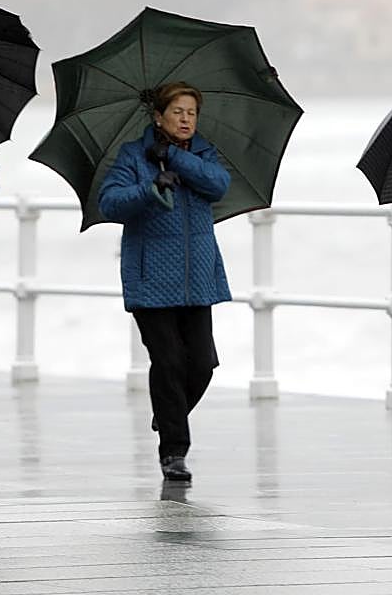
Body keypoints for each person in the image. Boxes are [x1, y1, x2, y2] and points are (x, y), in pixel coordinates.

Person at [98, 81, 231, 483]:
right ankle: (174, 451)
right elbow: (110, 202)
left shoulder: (203, 153)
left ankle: (168, 414)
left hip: (198, 279)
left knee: (203, 364)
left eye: (192, 112)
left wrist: (174, 157)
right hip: (151, 278)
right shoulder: (132, 156)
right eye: (177, 112)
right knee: (169, 360)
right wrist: (151, 186)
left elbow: (219, 185)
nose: (186, 119)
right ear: (158, 116)